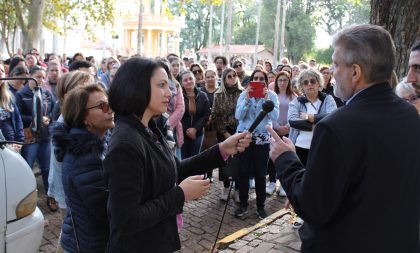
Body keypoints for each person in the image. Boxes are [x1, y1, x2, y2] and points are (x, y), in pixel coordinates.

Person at [267, 24, 420, 253]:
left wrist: (285, 159)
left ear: (355, 72)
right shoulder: (410, 114)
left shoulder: (335, 126)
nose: (333, 73)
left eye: (336, 64)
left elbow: (313, 207)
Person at [103, 57, 251, 252]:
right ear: (137, 88)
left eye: (169, 85)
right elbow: (127, 220)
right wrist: (180, 194)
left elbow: (175, 168)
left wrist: (222, 149)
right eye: (162, 85)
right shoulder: (125, 144)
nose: (170, 92)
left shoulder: (148, 127)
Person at [53, 84, 114, 253]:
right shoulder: (85, 157)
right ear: (84, 118)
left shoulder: (97, 145)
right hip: (89, 245)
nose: (110, 109)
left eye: (109, 103)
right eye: (102, 106)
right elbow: (105, 211)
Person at [234, 69, 279, 219]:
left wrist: (267, 100)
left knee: (260, 174)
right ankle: (243, 205)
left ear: (266, 82)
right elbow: (238, 115)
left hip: (262, 139)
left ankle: (261, 206)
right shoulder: (243, 94)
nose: (259, 81)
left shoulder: (272, 96)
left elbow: (275, 116)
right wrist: (247, 99)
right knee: (243, 173)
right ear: (251, 80)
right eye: (256, 78)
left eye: (262, 79)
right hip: (245, 137)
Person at [15, 65, 56, 210]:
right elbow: (18, 115)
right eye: (38, 76)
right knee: (27, 167)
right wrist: (34, 118)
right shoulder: (21, 94)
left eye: (43, 77)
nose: (41, 80)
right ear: (30, 76)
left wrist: (47, 118)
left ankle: (51, 196)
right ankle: (25, 199)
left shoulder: (46, 93)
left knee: (46, 168)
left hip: (45, 136)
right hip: (30, 136)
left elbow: (53, 111)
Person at [211, 67, 244, 201]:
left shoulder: (243, 93)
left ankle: (237, 188)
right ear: (224, 79)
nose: (232, 78)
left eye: (234, 75)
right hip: (223, 131)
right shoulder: (218, 94)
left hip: (239, 130)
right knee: (224, 160)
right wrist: (224, 133)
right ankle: (225, 187)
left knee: (239, 160)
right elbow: (215, 115)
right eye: (229, 76)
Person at [266, 71, 297, 196]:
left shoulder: (294, 97)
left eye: (285, 80)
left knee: (285, 157)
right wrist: (277, 127)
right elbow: (270, 113)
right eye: (280, 80)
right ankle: (272, 182)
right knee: (272, 157)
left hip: (288, 131)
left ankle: (283, 183)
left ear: (289, 82)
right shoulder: (273, 96)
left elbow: (295, 113)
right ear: (276, 82)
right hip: (274, 131)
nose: (283, 83)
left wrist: (288, 127)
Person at [179, 70, 210, 158]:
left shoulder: (202, 95)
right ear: (181, 83)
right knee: (183, 160)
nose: (188, 81)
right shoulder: (178, 96)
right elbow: (177, 115)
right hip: (182, 133)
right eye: (185, 80)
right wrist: (187, 130)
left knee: (195, 160)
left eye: (190, 79)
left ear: (194, 80)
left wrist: (195, 129)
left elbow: (206, 114)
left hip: (198, 133)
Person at [0, 66, 24, 152]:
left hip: (11, 144)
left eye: (2, 70)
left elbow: (18, 119)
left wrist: (19, 141)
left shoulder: (8, 97)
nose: (0, 72)